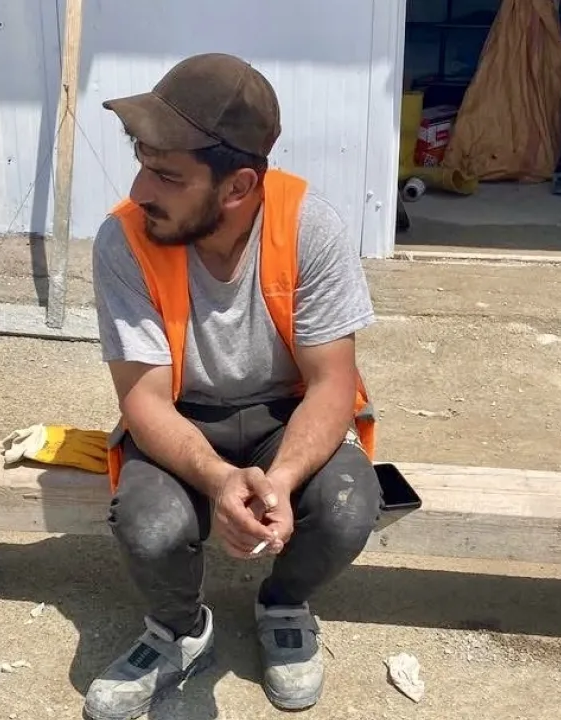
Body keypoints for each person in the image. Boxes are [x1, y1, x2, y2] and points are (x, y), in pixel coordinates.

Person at [86, 53, 381, 720]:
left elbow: (332, 385)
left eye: (167, 174)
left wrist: (280, 482)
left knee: (348, 507)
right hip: (183, 417)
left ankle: (283, 604)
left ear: (239, 185)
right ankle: (180, 630)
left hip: (287, 415)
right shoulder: (124, 239)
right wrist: (221, 481)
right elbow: (143, 401)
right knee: (150, 526)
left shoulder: (310, 228)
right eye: (142, 162)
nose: (140, 189)